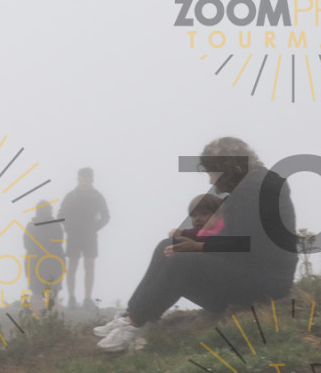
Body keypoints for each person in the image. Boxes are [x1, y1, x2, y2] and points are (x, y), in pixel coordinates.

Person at [95, 138, 296, 353]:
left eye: (212, 173)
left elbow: (246, 243)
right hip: (259, 274)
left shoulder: (252, 190)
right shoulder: (256, 184)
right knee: (170, 246)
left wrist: (199, 247)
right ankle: (131, 316)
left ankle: (135, 322)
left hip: (263, 285)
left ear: (227, 168)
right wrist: (193, 243)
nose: (211, 181)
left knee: (182, 262)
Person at [59, 168, 109, 309]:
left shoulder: (97, 197)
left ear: (92, 180)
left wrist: (94, 227)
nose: (85, 183)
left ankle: (87, 298)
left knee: (90, 265)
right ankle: (71, 298)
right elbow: (60, 214)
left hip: (90, 235)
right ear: (78, 179)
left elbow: (106, 216)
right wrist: (69, 227)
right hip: (74, 235)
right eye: (82, 180)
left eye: (87, 180)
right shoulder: (71, 196)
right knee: (73, 265)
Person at [22, 199, 64, 313]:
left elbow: (26, 244)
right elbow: (59, 243)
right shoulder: (56, 225)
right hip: (54, 263)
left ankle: (37, 320)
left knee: (36, 293)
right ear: (50, 211)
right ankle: (54, 320)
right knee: (54, 294)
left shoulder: (31, 226)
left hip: (35, 263)